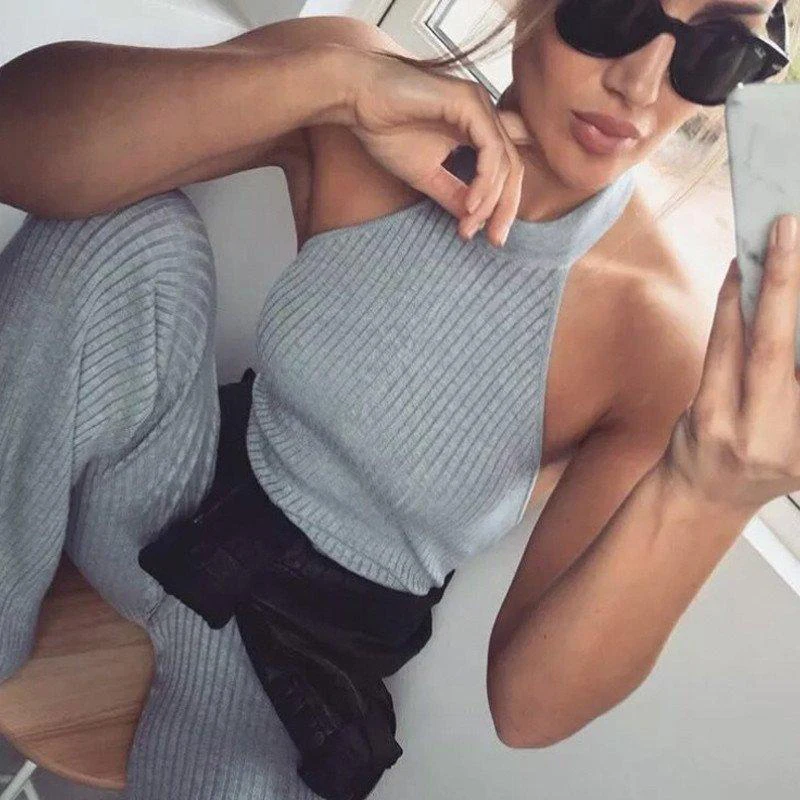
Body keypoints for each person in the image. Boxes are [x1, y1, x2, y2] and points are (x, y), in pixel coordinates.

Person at [0, 0, 798, 796]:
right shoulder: (364, 84)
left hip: (289, 668)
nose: (640, 85)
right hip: (161, 507)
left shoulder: (655, 336)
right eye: (614, 11)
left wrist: (711, 494)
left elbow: (526, 712)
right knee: (119, 232)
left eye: (717, 50)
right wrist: (335, 87)